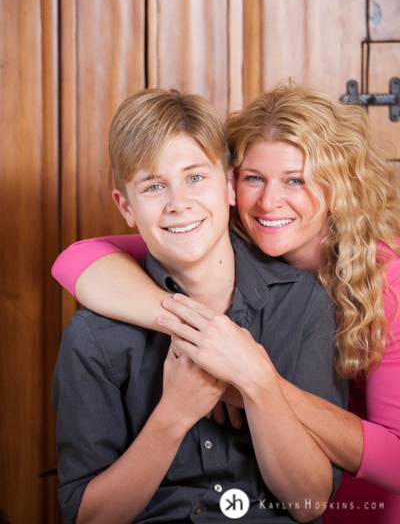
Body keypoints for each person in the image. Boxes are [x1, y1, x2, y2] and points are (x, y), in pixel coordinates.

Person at [52, 82, 400, 524]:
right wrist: (195, 336)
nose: (270, 200)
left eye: (296, 180)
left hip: (364, 504)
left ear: (340, 188)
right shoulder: (192, 235)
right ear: (235, 183)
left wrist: (253, 381)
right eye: (255, 177)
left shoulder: (370, 286)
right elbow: (76, 259)